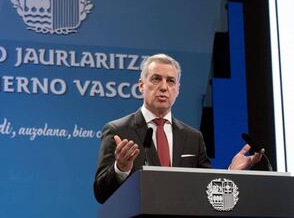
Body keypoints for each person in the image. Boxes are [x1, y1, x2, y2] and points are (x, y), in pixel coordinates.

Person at [93, 53, 263, 204]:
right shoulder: (118, 130)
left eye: (171, 81)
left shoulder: (193, 137)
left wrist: (231, 173)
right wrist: (121, 168)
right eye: (156, 79)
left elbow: (207, 188)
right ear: (141, 85)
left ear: (178, 90)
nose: (164, 87)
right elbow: (101, 194)